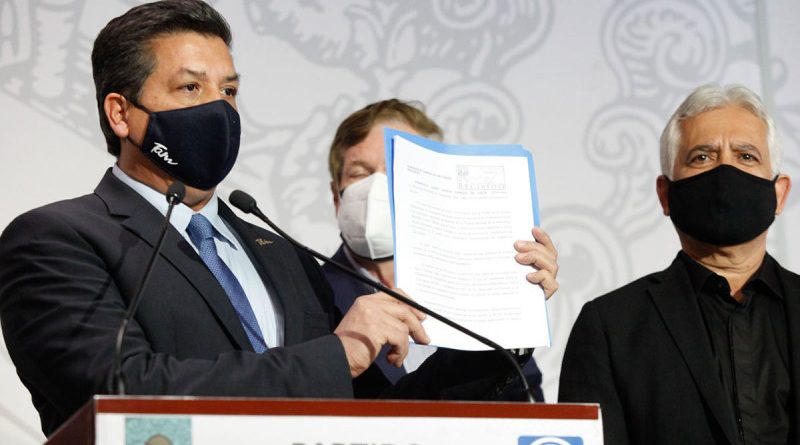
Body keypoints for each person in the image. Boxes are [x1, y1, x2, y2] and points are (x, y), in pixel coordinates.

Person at [0, 0, 559, 436]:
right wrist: (336, 355)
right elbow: (119, 391)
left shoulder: (278, 251)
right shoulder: (55, 239)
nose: (219, 108)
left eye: (229, 90)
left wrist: (502, 325)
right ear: (121, 113)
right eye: (191, 87)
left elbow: (379, 418)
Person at [558, 84, 797, 444]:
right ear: (666, 194)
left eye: (746, 156)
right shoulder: (611, 327)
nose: (725, 172)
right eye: (702, 157)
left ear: (779, 193)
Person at [325, 99, 550, 400]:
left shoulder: (473, 289)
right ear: (336, 196)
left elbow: (524, 401)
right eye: (360, 173)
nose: (377, 187)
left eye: (394, 170)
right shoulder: (309, 296)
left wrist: (517, 304)